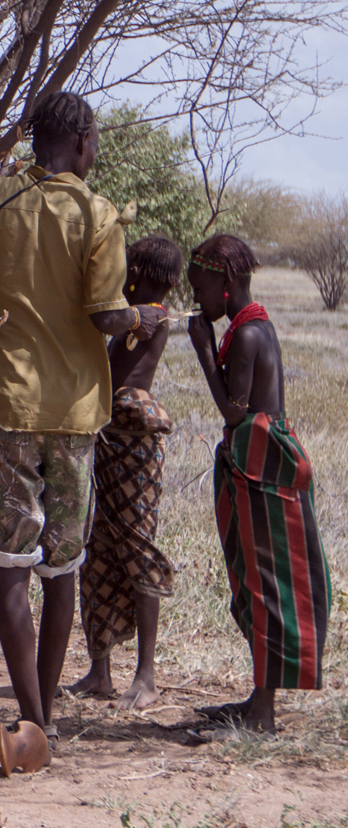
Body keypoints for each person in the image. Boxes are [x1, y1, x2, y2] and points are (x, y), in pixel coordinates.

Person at [0, 92, 166, 749]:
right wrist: (145, 318)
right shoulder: (99, 214)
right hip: (74, 416)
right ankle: (41, 716)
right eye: (97, 139)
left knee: (11, 567)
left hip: (8, 408)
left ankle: (35, 720)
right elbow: (108, 316)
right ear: (81, 142)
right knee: (61, 569)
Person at [186, 234, 330, 733]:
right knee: (255, 577)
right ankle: (257, 701)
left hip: (264, 463)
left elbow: (233, 410)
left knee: (266, 581)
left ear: (224, 282)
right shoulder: (252, 325)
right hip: (259, 458)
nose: (197, 301)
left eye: (200, 288)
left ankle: (263, 714)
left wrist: (203, 349)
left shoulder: (246, 335)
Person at [70, 237, 182, 709]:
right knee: (99, 553)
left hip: (131, 445)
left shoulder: (150, 317)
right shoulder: (136, 313)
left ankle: (147, 676)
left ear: (137, 269)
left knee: (135, 548)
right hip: (113, 442)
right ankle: (100, 671)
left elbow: (116, 379)